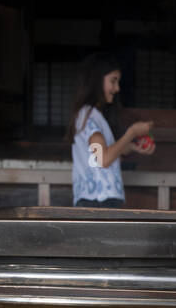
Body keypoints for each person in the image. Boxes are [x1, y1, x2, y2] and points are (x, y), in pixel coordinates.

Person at [65, 53, 154, 207]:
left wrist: (132, 146)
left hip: (97, 200)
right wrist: (131, 133)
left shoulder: (92, 115)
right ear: (97, 81)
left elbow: (104, 153)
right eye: (113, 81)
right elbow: (102, 158)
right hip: (98, 200)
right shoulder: (89, 116)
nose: (117, 88)